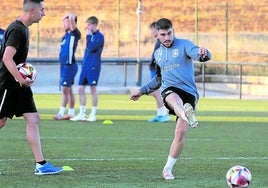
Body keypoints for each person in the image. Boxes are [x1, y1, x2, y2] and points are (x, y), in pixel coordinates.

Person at [129, 18, 211, 180]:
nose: (167, 38)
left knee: (180, 133)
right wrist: (142, 90)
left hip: (189, 93)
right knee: (173, 99)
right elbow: (159, 79)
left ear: (173, 31)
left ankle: (167, 168)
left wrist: (205, 53)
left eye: (169, 33)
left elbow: (199, 53)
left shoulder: (184, 44)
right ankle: (186, 114)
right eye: (163, 34)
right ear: (157, 35)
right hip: (170, 90)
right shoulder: (158, 53)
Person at [0, 0, 63, 175]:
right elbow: (7, 58)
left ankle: (41, 165)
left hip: (20, 85)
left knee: (33, 119)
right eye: (42, 10)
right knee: (1, 121)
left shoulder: (24, 28)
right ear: (33, 10)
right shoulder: (17, 29)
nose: (44, 14)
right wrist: (20, 78)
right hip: (8, 85)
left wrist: (24, 76)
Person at [70, 16, 104, 122]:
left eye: (89, 24)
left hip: (93, 66)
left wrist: (88, 36)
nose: (87, 27)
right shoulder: (90, 36)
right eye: (87, 24)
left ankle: (93, 114)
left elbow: (91, 47)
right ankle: (82, 113)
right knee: (80, 88)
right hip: (85, 66)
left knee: (93, 89)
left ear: (95, 24)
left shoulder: (99, 37)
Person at [53, 13, 81, 120]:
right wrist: (64, 18)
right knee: (69, 90)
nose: (64, 24)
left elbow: (73, 23)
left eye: (67, 22)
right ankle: (71, 113)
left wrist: (71, 17)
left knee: (65, 90)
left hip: (70, 66)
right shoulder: (64, 36)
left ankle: (61, 113)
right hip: (64, 66)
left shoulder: (75, 34)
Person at [147, 22, 169, 123]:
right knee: (155, 92)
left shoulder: (161, 42)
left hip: (157, 70)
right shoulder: (158, 41)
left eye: (152, 29)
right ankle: (160, 114)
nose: (151, 32)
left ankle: (164, 114)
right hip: (154, 69)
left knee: (156, 92)